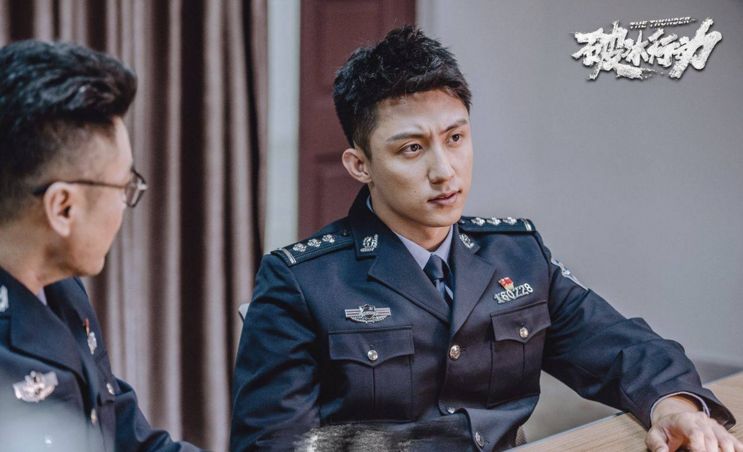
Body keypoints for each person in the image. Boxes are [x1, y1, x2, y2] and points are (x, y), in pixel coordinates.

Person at [230, 27, 741, 451]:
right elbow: (271, 443)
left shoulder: (517, 253)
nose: (444, 170)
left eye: (455, 138)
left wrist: (675, 406)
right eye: (412, 149)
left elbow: (620, 347)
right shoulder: (302, 282)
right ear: (360, 165)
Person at [0, 40, 202, 451]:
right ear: (63, 207)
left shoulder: (62, 289)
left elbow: (129, 439)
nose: (125, 204)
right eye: (124, 187)